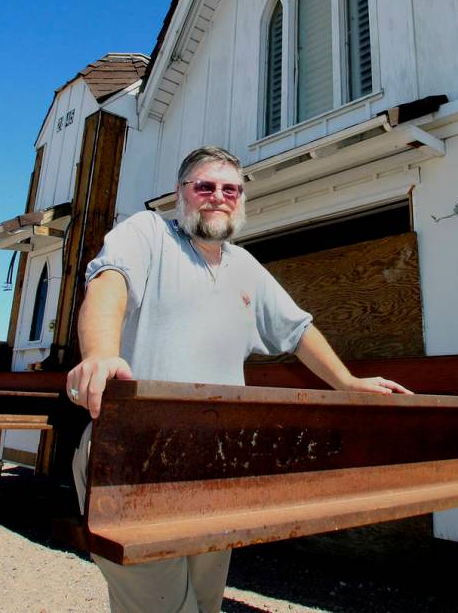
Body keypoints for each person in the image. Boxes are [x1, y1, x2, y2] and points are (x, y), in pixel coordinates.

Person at [67, 145, 410, 613]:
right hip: (132, 455)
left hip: (216, 463)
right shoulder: (146, 234)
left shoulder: (245, 266)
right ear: (179, 194)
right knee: (160, 606)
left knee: (207, 603)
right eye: (204, 186)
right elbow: (109, 284)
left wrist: (347, 382)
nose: (218, 197)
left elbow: (298, 329)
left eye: (230, 189)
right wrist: (102, 356)